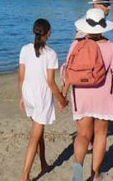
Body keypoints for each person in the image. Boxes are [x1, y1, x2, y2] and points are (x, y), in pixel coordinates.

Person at [61, 8, 113, 181]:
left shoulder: (76, 44)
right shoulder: (111, 47)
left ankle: (78, 166)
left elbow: (68, 73)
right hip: (104, 96)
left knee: (83, 135)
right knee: (100, 134)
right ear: (103, 28)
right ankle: (95, 175)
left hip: (81, 95)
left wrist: (63, 95)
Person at [18, 18, 68, 181]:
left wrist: (22, 97)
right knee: (35, 136)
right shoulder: (51, 54)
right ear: (48, 33)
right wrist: (61, 99)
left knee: (38, 132)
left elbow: (21, 77)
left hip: (28, 92)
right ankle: (25, 175)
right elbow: (51, 82)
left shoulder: (25, 49)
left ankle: (44, 164)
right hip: (41, 96)